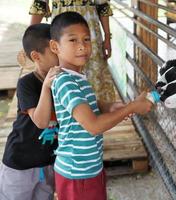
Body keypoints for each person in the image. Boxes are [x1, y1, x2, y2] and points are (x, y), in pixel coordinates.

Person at [49, 11, 153, 200]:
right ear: (55, 46)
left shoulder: (77, 77)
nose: (82, 46)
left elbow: (84, 106)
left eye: (87, 39)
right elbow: (93, 126)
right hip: (77, 174)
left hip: (89, 167)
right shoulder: (65, 82)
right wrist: (131, 108)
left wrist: (108, 107)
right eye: (73, 40)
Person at [0, 23, 60, 200]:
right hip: (20, 163)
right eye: (54, 51)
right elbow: (40, 121)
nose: (61, 54)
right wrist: (47, 87)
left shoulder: (63, 81)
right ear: (36, 56)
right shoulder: (27, 83)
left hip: (48, 162)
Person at [29, 0, 116, 102]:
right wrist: (31, 39)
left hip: (89, 28)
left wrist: (107, 37)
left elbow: (102, 4)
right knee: (63, 72)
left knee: (94, 73)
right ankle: (69, 111)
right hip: (62, 29)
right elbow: (40, 3)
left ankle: (97, 110)